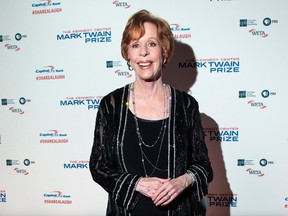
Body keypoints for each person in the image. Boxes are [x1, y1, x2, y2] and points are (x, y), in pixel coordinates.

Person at [89, 9, 213, 216]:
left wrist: (182, 182)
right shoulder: (111, 105)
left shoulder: (186, 105)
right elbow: (98, 166)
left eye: (152, 44)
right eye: (135, 45)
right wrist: (136, 183)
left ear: (164, 51)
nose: (143, 52)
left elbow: (204, 167)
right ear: (128, 54)